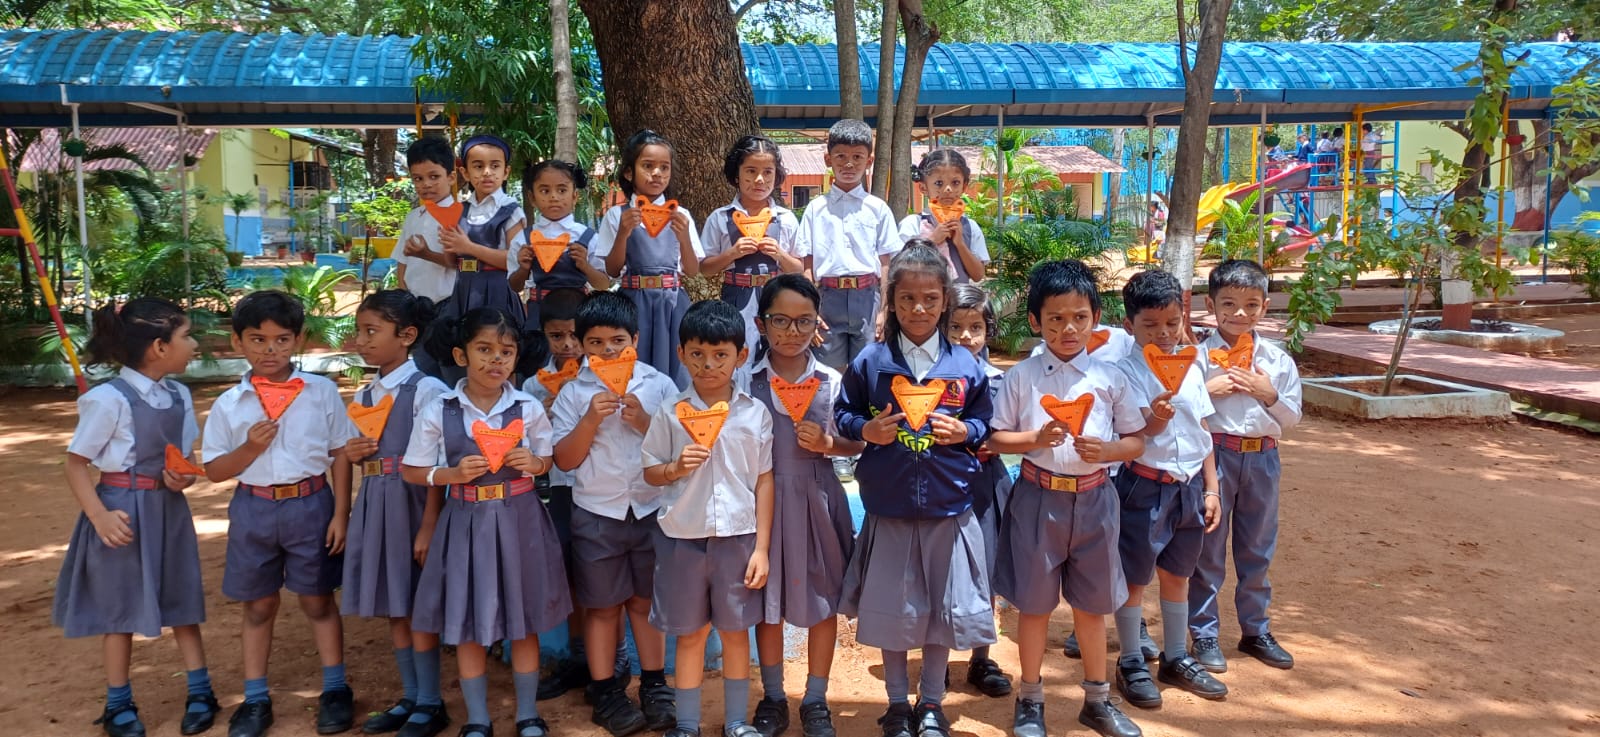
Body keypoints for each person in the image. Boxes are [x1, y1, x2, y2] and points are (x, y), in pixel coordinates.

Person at [835, 241, 996, 737]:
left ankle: (930, 703)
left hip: (949, 508)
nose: (919, 309)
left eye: (930, 299)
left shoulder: (965, 366)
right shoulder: (871, 362)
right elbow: (844, 413)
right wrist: (866, 430)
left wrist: (965, 431)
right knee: (894, 612)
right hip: (890, 507)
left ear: (945, 300)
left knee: (939, 614)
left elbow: (984, 422)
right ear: (891, 301)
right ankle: (896, 705)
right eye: (907, 299)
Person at [988, 260, 1147, 737]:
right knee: (1034, 606)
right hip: (1037, 499)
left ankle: (1097, 699)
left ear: (1096, 317)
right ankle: (1030, 698)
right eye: (1055, 318)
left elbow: (1136, 441)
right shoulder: (1022, 377)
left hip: (1096, 500)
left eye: (1079, 317)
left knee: (1092, 607)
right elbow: (996, 438)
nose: (1068, 328)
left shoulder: (1110, 377)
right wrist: (1035, 438)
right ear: (1035, 321)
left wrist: (1109, 451)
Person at [402, 307, 572, 737]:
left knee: (523, 621)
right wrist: (450, 475)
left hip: (521, 521)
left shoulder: (527, 407)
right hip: (465, 522)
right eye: (484, 349)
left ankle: (528, 714)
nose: (496, 359)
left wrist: (534, 463)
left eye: (506, 352)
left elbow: (547, 459)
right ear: (461, 355)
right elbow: (412, 470)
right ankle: (477, 719)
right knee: (469, 624)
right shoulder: (441, 409)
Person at [53, 298, 217, 737]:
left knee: (182, 599)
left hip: (168, 511)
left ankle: (201, 691)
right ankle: (118, 703)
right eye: (186, 336)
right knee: (120, 608)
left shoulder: (180, 395)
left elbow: (184, 461)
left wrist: (182, 477)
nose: (194, 345)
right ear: (159, 347)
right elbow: (76, 464)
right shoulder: (108, 399)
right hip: (120, 515)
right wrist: (100, 517)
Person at [201, 290, 358, 737]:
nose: (270, 350)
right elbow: (214, 470)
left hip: (312, 504)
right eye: (258, 339)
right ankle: (255, 699)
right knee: (259, 605)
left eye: (281, 340)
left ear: (298, 339)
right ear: (237, 341)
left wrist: (341, 513)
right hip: (253, 508)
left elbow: (340, 452)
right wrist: (250, 448)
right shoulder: (230, 404)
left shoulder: (320, 392)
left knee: (317, 599)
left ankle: (335, 689)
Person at [642, 299, 776, 737]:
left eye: (721, 354)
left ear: (741, 355)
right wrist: (674, 468)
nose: (708, 364)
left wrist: (761, 549)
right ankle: (686, 725)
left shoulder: (754, 413)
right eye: (697, 354)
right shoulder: (669, 412)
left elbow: (764, 481)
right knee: (691, 634)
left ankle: (736, 722)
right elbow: (650, 470)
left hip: (738, 540)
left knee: (736, 634)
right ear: (681, 354)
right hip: (682, 538)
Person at [551, 292, 681, 736]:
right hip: (597, 513)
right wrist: (589, 420)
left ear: (636, 340)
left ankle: (655, 685)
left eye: (618, 341)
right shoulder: (574, 393)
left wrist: (645, 422)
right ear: (581, 345)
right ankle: (606, 690)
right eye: (596, 343)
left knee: (645, 603)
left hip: (649, 509)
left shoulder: (658, 385)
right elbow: (564, 460)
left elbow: (677, 448)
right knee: (603, 607)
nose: (607, 351)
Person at [743, 275, 863, 737]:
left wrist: (830, 444)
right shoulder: (746, 381)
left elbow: (858, 443)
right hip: (762, 506)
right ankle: (773, 696)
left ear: (818, 325)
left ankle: (816, 698)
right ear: (761, 324)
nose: (792, 332)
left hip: (819, 502)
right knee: (767, 603)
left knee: (822, 600)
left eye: (804, 321)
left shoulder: (832, 381)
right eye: (780, 320)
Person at [1105, 271, 1229, 710]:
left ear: (1184, 320)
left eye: (1172, 323)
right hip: (1143, 485)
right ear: (1129, 325)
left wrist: (1212, 488)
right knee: (1135, 577)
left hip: (1189, 485)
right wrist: (1158, 415)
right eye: (1150, 325)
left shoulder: (1191, 365)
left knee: (1178, 574)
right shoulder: (1124, 373)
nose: (1163, 333)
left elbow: (1202, 428)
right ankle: (1131, 661)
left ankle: (1176, 656)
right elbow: (1140, 433)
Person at [339, 290, 452, 736]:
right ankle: (412, 695)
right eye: (359, 331)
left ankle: (431, 702)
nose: (362, 340)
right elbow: (358, 452)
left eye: (372, 331)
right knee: (395, 604)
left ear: (406, 336)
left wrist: (428, 525)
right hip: (377, 501)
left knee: (417, 604)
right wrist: (354, 454)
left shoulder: (427, 389)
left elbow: (437, 462)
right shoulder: (366, 392)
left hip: (413, 501)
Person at [1190, 259, 1303, 674]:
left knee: (1257, 546)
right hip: (1215, 456)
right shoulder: (1197, 358)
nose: (1240, 313)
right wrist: (1208, 390)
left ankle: (1256, 630)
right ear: (1211, 305)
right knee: (1208, 548)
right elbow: (1181, 410)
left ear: (1265, 307)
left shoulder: (1276, 360)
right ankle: (1203, 632)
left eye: (1251, 305)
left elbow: (1292, 418)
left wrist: (1267, 393)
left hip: (1263, 457)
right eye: (1229, 304)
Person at [942, 284, 1015, 700]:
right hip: (941, 483)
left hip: (986, 485)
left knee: (985, 569)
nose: (966, 337)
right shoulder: (927, 379)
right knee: (939, 570)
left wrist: (993, 440)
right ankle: (935, 657)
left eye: (975, 328)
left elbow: (1008, 428)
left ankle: (981, 658)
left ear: (988, 331)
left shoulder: (1000, 379)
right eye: (955, 328)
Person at [594, 130, 703, 388]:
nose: (657, 173)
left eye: (664, 167)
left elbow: (692, 270)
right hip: (633, 302)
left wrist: (684, 238)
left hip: (672, 303)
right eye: (648, 166)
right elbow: (612, 270)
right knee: (634, 366)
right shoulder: (617, 215)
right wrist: (623, 233)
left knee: (675, 367)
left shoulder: (680, 215)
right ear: (629, 172)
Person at [795, 119, 901, 372]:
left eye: (857, 157)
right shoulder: (816, 209)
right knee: (826, 370)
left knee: (868, 369)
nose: (849, 164)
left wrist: (884, 311)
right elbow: (807, 265)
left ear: (869, 161)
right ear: (828, 159)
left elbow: (886, 264)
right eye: (840, 156)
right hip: (827, 299)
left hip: (867, 298)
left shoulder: (877, 209)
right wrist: (811, 310)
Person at [700, 135, 804, 364]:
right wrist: (732, 253)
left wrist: (779, 254)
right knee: (739, 356)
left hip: (777, 296)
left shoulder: (785, 219)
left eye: (767, 172)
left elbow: (799, 269)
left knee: (778, 356)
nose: (759, 179)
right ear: (736, 174)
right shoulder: (720, 218)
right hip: (736, 295)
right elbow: (705, 268)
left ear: (777, 175)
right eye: (750, 171)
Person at [440, 134, 528, 338]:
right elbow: (451, 261)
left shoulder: (511, 211)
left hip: (498, 288)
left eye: (495, 166)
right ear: (465, 173)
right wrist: (449, 243)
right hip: (464, 287)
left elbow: (515, 260)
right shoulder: (458, 211)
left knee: (496, 340)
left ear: (506, 172)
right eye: (478, 166)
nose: (487, 172)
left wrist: (468, 247)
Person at [510, 159, 612, 328]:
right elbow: (514, 287)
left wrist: (585, 265)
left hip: (578, 318)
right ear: (532, 197)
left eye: (562, 190)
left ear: (574, 196)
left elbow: (603, 284)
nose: (554, 197)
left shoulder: (588, 237)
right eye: (545, 191)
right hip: (539, 317)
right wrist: (523, 268)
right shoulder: (523, 240)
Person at [393, 137, 459, 380]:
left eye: (434, 176)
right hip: (418, 307)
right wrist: (405, 295)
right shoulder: (414, 216)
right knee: (425, 373)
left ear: (451, 177)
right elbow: (402, 261)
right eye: (418, 179)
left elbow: (457, 262)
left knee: (451, 371)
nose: (426, 184)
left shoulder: (459, 214)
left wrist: (425, 254)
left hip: (448, 306)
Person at [899, 150, 989, 283]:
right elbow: (901, 269)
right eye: (939, 183)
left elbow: (978, 275)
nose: (948, 189)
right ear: (923, 187)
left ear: (964, 186)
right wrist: (931, 241)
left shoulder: (970, 227)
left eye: (955, 183)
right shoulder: (912, 224)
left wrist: (960, 244)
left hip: (959, 297)